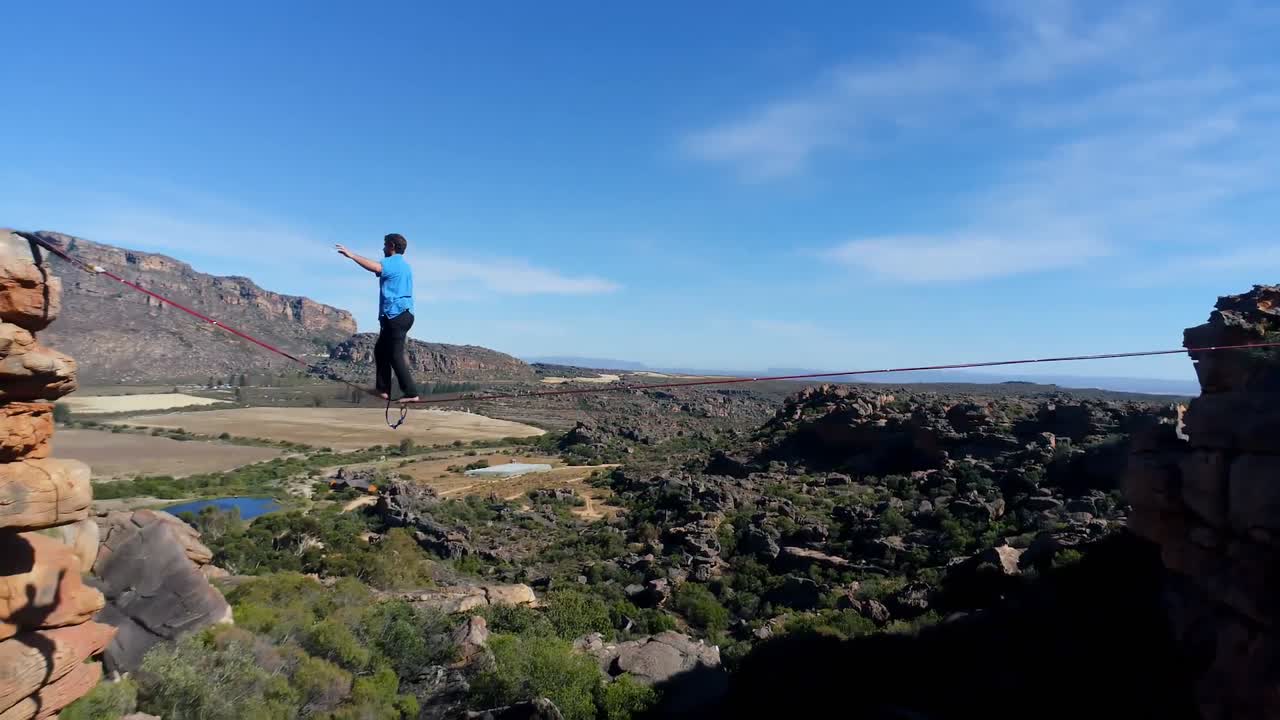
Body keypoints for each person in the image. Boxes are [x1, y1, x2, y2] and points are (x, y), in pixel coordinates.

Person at [335, 234, 420, 403]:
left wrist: (351, 256)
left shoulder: (393, 262)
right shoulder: (404, 266)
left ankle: (411, 393)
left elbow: (375, 267)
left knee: (394, 354)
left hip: (396, 315)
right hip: (402, 315)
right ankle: (383, 390)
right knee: (381, 350)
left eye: (384, 245)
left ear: (392, 245)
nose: (382, 249)